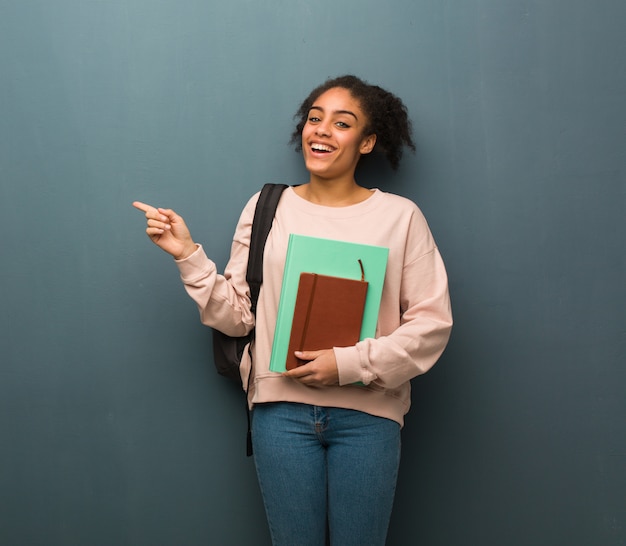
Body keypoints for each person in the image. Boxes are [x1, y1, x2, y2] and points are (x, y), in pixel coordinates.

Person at [133, 75, 452, 546]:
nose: (320, 130)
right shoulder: (267, 207)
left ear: (367, 142)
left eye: (342, 123)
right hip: (279, 413)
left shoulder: (400, 217)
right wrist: (187, 256)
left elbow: (430, 325)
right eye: (314, 118)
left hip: (368, 415)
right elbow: (240, 316)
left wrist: (347, 364)